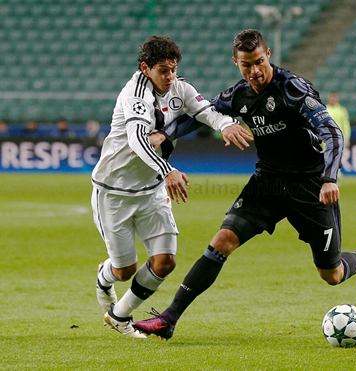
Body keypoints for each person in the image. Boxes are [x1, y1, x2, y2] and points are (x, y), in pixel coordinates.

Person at [133, 29, 356, 340]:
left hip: (309, 186)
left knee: (331, 273)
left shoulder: (293, 90)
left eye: (259, 62)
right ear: (236, 63)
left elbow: (332, 133)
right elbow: (201, 114)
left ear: (269, 56)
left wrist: (329, 178)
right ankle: (169, 318)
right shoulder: (238, 95)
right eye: (246, 65)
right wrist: (166, 134)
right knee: (222, 240)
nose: (254, 72)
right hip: (267, 182)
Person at [91, 35, 252, 338]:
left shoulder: (180, 88)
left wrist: (226, 124)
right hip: (114, 192)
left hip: (151, 190)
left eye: (173, 69)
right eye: (163, 70)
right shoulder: (134, 95)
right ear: (145, 68)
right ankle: (104, 277)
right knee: (124, 270)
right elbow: (138, 140)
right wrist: (168, 170)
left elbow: (205, 111)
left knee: (165, 262)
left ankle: (119, 315)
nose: (170, 77)